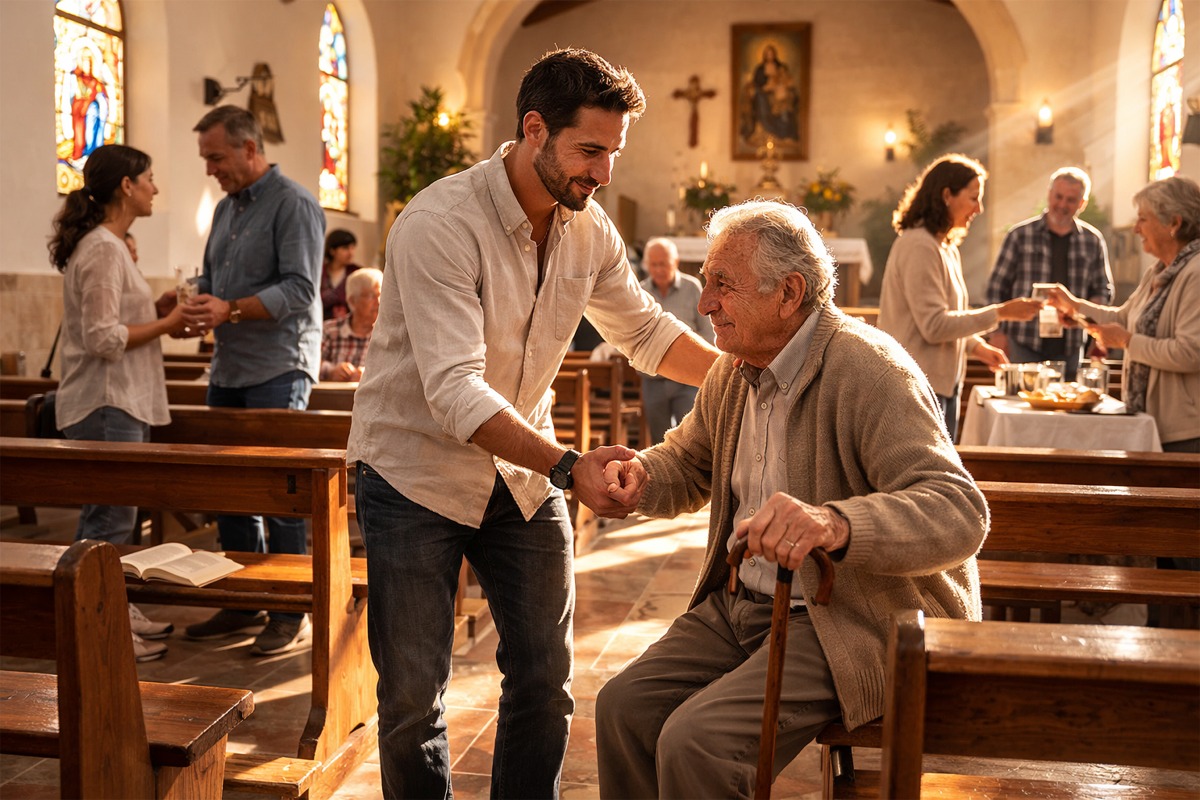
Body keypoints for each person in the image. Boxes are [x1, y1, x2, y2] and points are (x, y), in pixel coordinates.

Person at [346, 47, 720, 798]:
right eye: (589, 150)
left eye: (613, 153)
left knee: (545, 681)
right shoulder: (440, 222)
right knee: (414, 698)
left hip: (521, 476)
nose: (603, 173)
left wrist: (749, 377)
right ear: (534, 129)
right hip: (413, 474)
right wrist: (568, 466)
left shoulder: (588, 228)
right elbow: (456, 392)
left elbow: (645, 334)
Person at [594, 200, 988, 797]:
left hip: (847, 616)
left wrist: (834, 524)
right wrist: (641, 477)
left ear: (789, 292)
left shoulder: (869, 368)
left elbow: (959, 510)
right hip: (741, 606)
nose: (704, 306)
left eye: (723, 286)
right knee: (622, 708)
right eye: (706, 284)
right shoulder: (733, 368)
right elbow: (690, 461)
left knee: (697, 742)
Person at [180, 105, 325, 656]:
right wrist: (194, 300)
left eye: (216, 157)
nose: (211, 169)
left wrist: (230, 310)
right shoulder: (223, 211)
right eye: (206, 159)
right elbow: (213, 279)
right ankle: (243, 598)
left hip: (278, 366)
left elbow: (299, 291)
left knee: (280, 488)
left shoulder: (294, 204)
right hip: (230, 366)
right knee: (231, 490)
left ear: (248, 148)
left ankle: (291, 610)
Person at [48, 143, 186, 662]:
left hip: (121, 399)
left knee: (114, 517)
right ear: (126, 186)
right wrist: (169, 324)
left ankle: (111, 611)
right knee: (108, 520)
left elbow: (116, 321)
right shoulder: (104, 247)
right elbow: (103, 337)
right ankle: (95, 627)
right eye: (149, 178)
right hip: (107, 401)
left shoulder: (109, 244)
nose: (154, 188)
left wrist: (158, 308)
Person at [877, 153, 1041, 440]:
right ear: (947, 195)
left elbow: (949, 319)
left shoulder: (945, 248)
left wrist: (976, 348)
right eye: (974, 197)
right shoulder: (919, 247)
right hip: (914, 387)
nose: (979, 208)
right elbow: (935, 326)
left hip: (941, 385)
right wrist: (1001, 312)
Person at [1047, 176, 1200, 453]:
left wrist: (1128, 342)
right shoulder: (1158, 270)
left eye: (1143, 219)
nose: (1135, 229)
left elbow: (1191, 352)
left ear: (1174, 224)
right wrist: (1076, 308)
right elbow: (1123, 318)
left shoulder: (1196, 273)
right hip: (1149, 421)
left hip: (1185, 429)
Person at [986, 167, 1113, 379]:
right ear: (1049, 194)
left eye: (1071, 200)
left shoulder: (1093, 240)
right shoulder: (1020, 236)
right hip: (1023, 341)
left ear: (1082, 203)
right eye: (1058, 197)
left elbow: (1103, 289)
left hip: (1070, 345)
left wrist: (1093, 326)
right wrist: (997, 333)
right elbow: (996, 288)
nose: (1062, 205)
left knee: (1066, 407)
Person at [639, 237, 715, 443]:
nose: (658, 269)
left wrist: (686, 355)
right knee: (658, 441)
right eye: (653, 264)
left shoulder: (692, 288)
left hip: (687, 379)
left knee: (690, 438)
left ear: (675, 262)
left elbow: (709, 332)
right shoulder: (640, 291)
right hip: (653, 378)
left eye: (663, 263)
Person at [320, 267, 381, 381]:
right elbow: (308, 361)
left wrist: (371, 377)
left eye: (381, 295)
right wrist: (331, 370)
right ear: (352, 300)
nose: (378, 301)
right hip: (332, 398)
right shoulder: (329, 330)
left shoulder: (388, 334)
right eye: (371, 296)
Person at [320, 228, 361, 320]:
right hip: (321, 323)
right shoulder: (320, 271)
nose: (351, 253)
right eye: (345, 248)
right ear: (332, 250)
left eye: (353, 247)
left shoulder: (357, 273)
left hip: (348, 326)